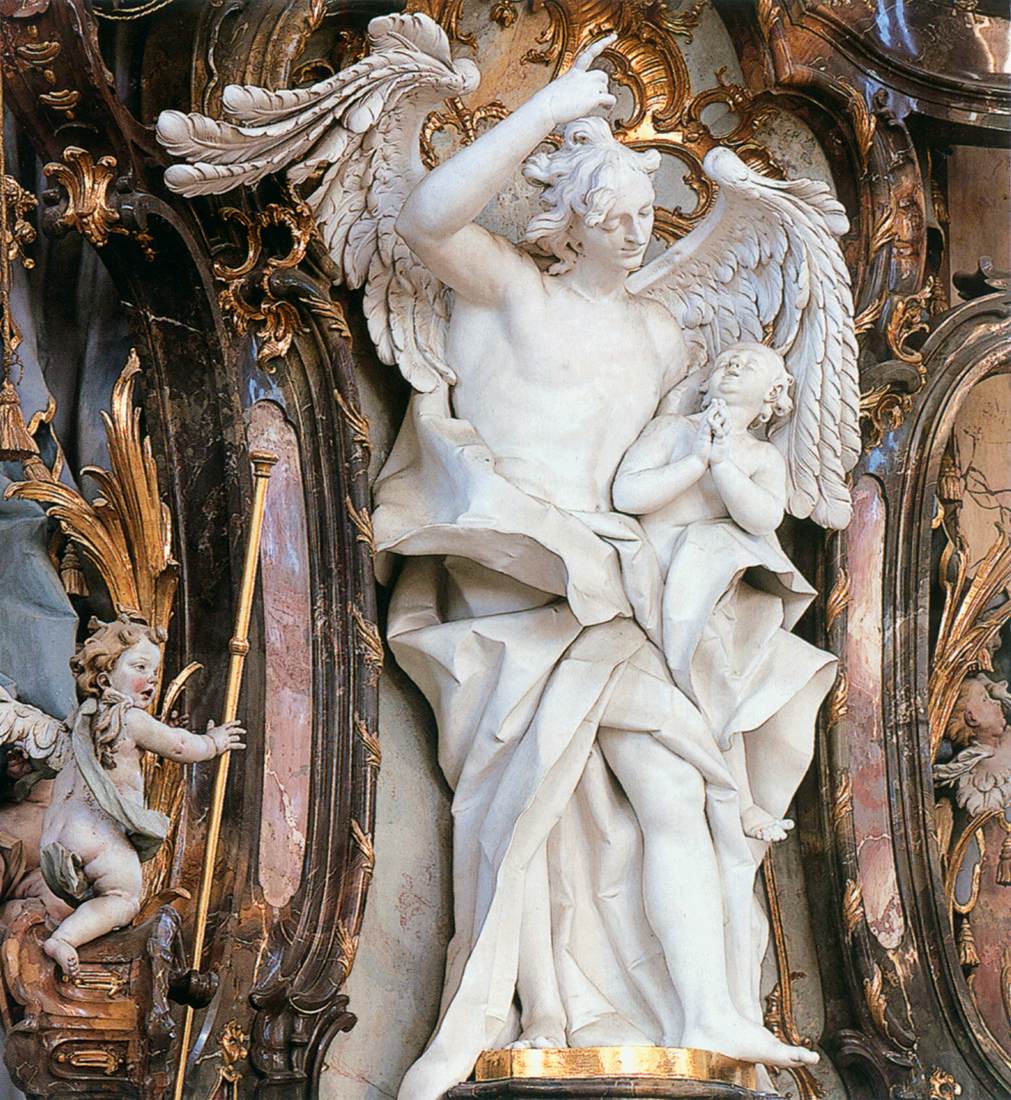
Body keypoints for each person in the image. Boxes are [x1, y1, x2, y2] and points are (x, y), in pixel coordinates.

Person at [374, 41, 819, 1100]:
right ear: (568, 220)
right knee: (537, 791)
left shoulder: (662, 335)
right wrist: (551, 109)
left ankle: (701, 1010)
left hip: (617, 585)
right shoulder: (509, 294)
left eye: (643, 209)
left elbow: (665, 471)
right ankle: (516, 1012)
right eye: (613, 210)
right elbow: (426, 219)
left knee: (674, 787)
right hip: (514, 575)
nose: (633, 226)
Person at [40, 615, 244, 977]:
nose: (151, 678)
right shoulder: (131, 718)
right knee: (123, 898)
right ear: (105, 678)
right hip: (96, 835)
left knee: (98, 898)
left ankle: (78, 931)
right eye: (139, 667)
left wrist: (162, 729)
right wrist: (213, 743)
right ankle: (65, 939)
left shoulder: (80, 718)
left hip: (55, 838)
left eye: (155, 670)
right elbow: (179, 747)